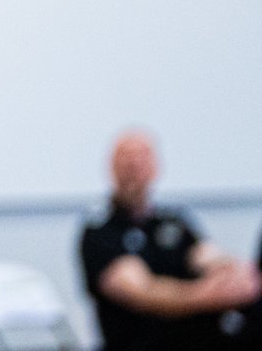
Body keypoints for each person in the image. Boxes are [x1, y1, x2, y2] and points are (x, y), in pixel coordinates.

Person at [80, 130, 261, 351]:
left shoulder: (172, 221)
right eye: (126, 161)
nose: (134, 168)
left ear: (155, 167)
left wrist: (233, 275)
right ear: (112, 168)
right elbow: (142, 292)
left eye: (141, 160)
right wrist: (205, 295)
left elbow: (208, 256)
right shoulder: (100, 231)